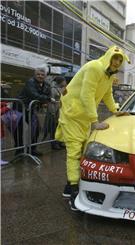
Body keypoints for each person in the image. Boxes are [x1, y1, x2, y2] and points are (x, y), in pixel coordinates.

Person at [55, 45, 129, 211]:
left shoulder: (109, 75)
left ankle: (69, 187)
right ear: (108, 56)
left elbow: (107, 94)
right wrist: (95, 121)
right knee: (74, 152)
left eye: (120, 60)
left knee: (82, 150)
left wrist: (115, 111)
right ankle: (74, 193)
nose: (117, 62)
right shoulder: (94, 67)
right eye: (115, 58)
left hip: (82, 116)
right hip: (72, 113)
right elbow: (86, 95)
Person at [15, 67, 53, 156]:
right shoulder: (30, 82)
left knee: (36, 129)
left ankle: (32, 149)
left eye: (42, 75)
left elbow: (46, 94)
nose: (40, 76)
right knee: (18, 130)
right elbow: (34, 95)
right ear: (34, 75)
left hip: (30, 108)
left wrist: (45, 100)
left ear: (45, 76)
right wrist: (47, 99)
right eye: (38, 74)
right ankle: (18, 150)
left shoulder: (46, 84)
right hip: (20, 107)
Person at [44, 76, 67, 150]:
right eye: (64, 81)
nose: (65, 82)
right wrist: (53, 112)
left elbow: (65, 96)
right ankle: (54, 144)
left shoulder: (62, 89)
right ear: (60, 82)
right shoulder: (53, 89)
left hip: (60, 112)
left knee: (59, 128)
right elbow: (51, 102)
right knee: (53, 128)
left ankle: (59, 142)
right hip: (54, 112)